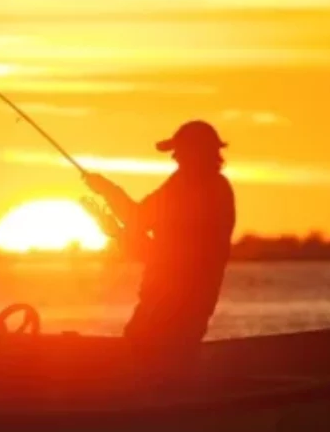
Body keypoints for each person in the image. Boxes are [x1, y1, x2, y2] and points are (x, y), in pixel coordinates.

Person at [84, 120, 236, 371]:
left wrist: (107, 191)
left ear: (198, 152)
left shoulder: (208, 192)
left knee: (147, 363)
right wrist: (117, 233)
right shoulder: (181, 185)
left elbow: (142, 224)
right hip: (159, 303)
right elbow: (155, 250)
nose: (175, 157)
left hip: (178, 310)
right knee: (137, 355)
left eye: (180, 150)